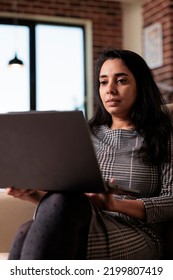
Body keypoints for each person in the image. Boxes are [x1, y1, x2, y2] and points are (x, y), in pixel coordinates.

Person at [6, 49, 173, 260]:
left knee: (27, 232)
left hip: (136, 232)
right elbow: (64, 204)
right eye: (103, 82)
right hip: (83, 220)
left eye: (121, 81)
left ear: (141, 85)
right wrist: (31, 193)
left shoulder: (164, 134)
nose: (110, 90)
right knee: (29, 229)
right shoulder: (85, 133)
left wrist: (116, 204)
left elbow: (171, 200)